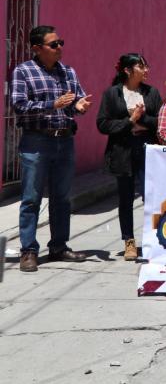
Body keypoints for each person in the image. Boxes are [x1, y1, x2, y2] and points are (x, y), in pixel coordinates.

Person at [12, 25, 92, 272]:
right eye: (54, 44)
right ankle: (28, 251)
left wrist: (79, 106)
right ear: (37, 48)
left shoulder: (68, 72)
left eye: (61, 43)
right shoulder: (23, 71)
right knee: (31, 198)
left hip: (64, 140)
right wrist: (52, 105)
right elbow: (19, 105)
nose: (59, 48)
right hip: (36, 141)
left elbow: (75, 101)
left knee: (62, 198)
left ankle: (58, 246)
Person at [96, 53, 162, 261]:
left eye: (146, 66)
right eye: (141, 66)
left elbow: (161, 121)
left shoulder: (151, 93)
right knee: (125, 198)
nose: (146, 70)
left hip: (147, 149)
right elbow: (103, 124)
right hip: (123, 151)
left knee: (151, 196)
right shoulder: (112, 94)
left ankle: (154, 239)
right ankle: (129, 241)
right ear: (127, 70)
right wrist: (130, 121)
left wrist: (142, 119)